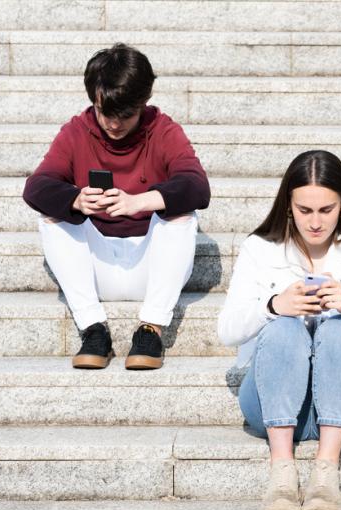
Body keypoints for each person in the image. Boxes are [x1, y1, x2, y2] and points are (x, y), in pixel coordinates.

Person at [218, 150, 341, 510]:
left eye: (326, 210)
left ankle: (325, 472)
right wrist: (274, 306)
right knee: (283, 327)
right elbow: (227, 331)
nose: (315, 222)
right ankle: (281, 472)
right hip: (272, 406)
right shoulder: (260, 249)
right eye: (304, 210)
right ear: (288, 206)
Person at [23, 43, 210, 370]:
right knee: (52, 215)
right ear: (93, 100)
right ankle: (93, 329)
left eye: (125, 115)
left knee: (182, 215)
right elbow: (36, 187)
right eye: (104, 112)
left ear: (143, 102)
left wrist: (139, 201)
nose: (113, 124)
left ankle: (151, 329)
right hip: (96, 266)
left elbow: (197, 186)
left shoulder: (164, 130)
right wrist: (76, 200)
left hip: (152, 267)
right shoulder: (76, 131)